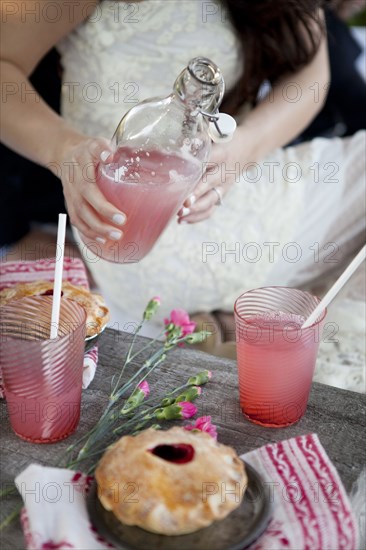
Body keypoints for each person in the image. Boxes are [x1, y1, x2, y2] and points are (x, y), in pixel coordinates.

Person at [1, 0, 365, 337]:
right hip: (129, 234)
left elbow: (311, 74)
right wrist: (64, 150)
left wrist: (243, 149)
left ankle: (252, 333)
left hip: (209, 198)